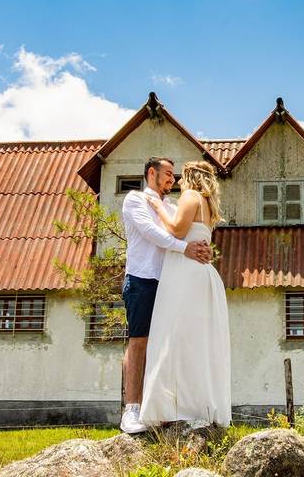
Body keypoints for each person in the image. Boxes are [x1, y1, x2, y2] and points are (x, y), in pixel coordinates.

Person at [119, 156, 212, 434]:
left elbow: (184, 233)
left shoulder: (171, 205)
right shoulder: (135, 200)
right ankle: (131, 410)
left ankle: (159, 408)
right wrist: (184, 248)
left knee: (168, 345)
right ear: (152, 173)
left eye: (175, 175)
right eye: (168, 174)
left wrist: (203, 248)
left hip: (172, 283)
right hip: (143, 279)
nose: (173, 180)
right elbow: (151, 233)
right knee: (140, 342)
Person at [139, 159, 232, 429]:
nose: (177, 182)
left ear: (191, 177)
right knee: (195, 342)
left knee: (175, 337)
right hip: (200, 274)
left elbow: (177, 229)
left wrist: (158, 206)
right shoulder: (209, 206)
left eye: (181, 176)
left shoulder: (191, 196)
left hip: (185, 274)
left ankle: (175, 408)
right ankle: (193, 405)